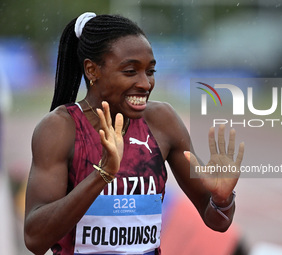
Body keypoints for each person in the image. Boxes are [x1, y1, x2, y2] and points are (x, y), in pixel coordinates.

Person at [24, 12, 244, 255]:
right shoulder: (60, 129)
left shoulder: (162, 121)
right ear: (92, 70)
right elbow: (35, 239)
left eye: (150, 72)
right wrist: (103, 175)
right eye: (130, 71)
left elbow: (217, 221)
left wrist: (222, 200)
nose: (145, 83)